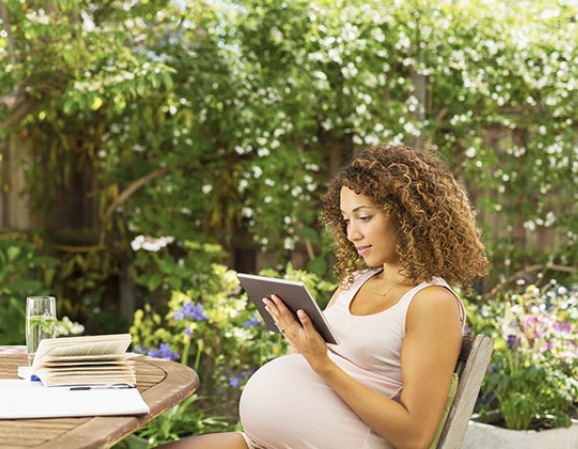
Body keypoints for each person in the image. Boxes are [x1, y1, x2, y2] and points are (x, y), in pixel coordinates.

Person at [162, 145, 489, 449]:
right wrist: (298, 340)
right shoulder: (355, 283)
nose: (352, 234)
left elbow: (415, 436)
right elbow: (315, 366)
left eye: (364, 217)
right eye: (346, 220)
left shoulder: (431, 303)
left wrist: (320, 363)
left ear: (407, 215)